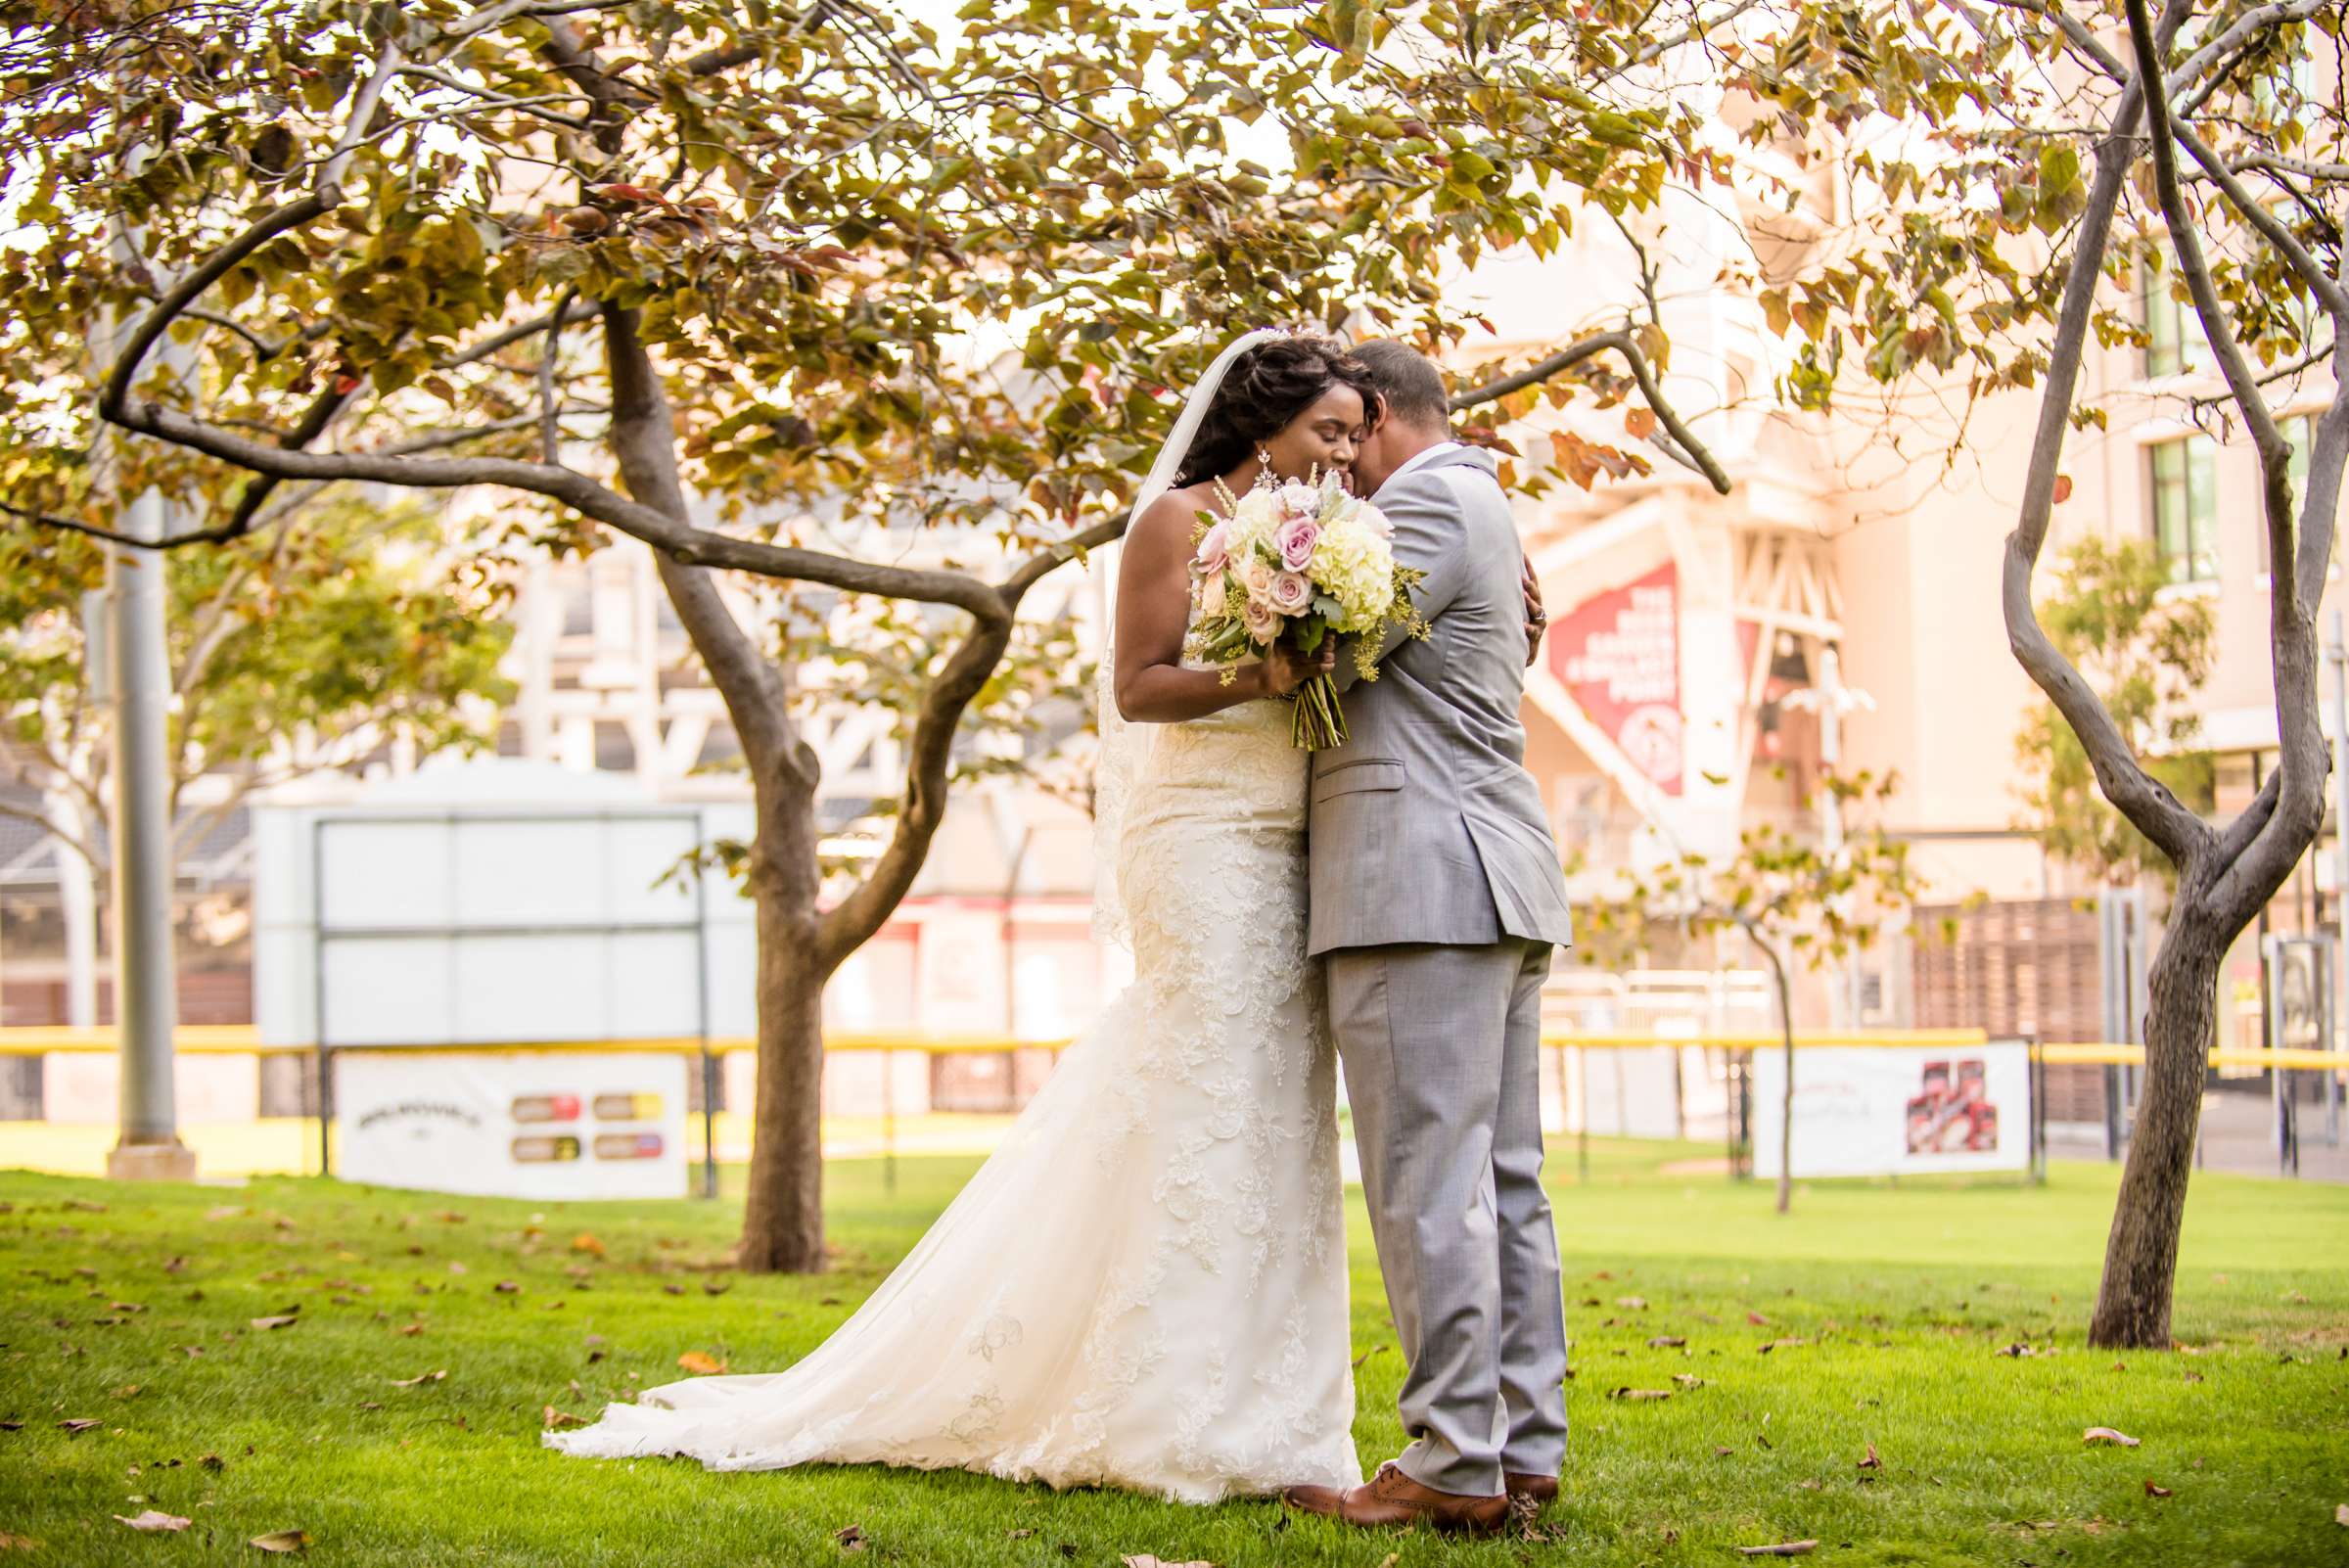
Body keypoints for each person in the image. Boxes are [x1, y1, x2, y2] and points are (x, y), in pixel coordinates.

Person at [541, 330, 1375, 1501]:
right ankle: (1167, 1416)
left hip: (1286, 838)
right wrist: (1266, 674)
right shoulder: (1175, 522)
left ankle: (1278, 1417)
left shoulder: (1334, 534)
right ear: (1262, 421)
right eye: (1328, 430)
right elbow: (1139, 689)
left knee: (1279, 1112)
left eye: (1352, 434)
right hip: (1199, 841)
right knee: (1205, 1102)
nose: (1345, 453)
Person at [1281, 339, 1577, 1535]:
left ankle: (1455, 1457)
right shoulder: (1482, 506)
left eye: (1350, 438)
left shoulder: (1430, 501)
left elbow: (1316, 656)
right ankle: (1520, 1444)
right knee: (1500, 1182)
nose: (1340, 467)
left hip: (1423, 885)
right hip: (1485, 878)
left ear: (1387, 416)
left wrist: (1252, 582)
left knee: (1428, 1182)